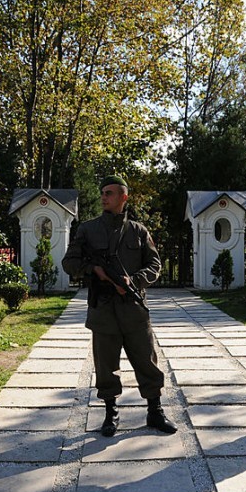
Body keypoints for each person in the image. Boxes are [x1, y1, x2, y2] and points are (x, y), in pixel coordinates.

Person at [62, 175, 177, 437]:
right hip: (103, 310)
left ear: (124, 197)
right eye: (102, 192)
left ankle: (155, 412)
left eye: (110, 193)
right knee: (106, 366)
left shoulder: (138, 231)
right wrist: (94, 270)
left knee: (147, 362)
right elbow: (69, 263)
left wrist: (134, 280)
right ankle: (111, 413)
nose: (104, 197)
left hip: (134, 311)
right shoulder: (87, 230)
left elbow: (155, 265)